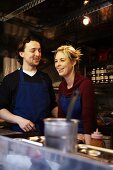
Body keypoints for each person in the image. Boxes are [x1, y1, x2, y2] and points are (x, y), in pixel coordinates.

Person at [0, 34, 58, 135]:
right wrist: (19, 120)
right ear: (21, 53)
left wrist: (67, 121)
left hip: (43, 135)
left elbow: (52, 106)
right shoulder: (10, 79)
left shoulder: (46, 78)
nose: (38, 54)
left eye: (39, 50)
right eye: (33, 50)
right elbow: (1, 109)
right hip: (18, 135)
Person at [54, 45, 97, 144]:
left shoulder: (85, 84)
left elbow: (88, 118)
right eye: (56, 61)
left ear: (73, 62)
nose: (58, 64)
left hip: (86, 138)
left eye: (62, 60)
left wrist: (88, 146)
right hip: (70, 137)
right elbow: (61, 117)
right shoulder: (61, 86)